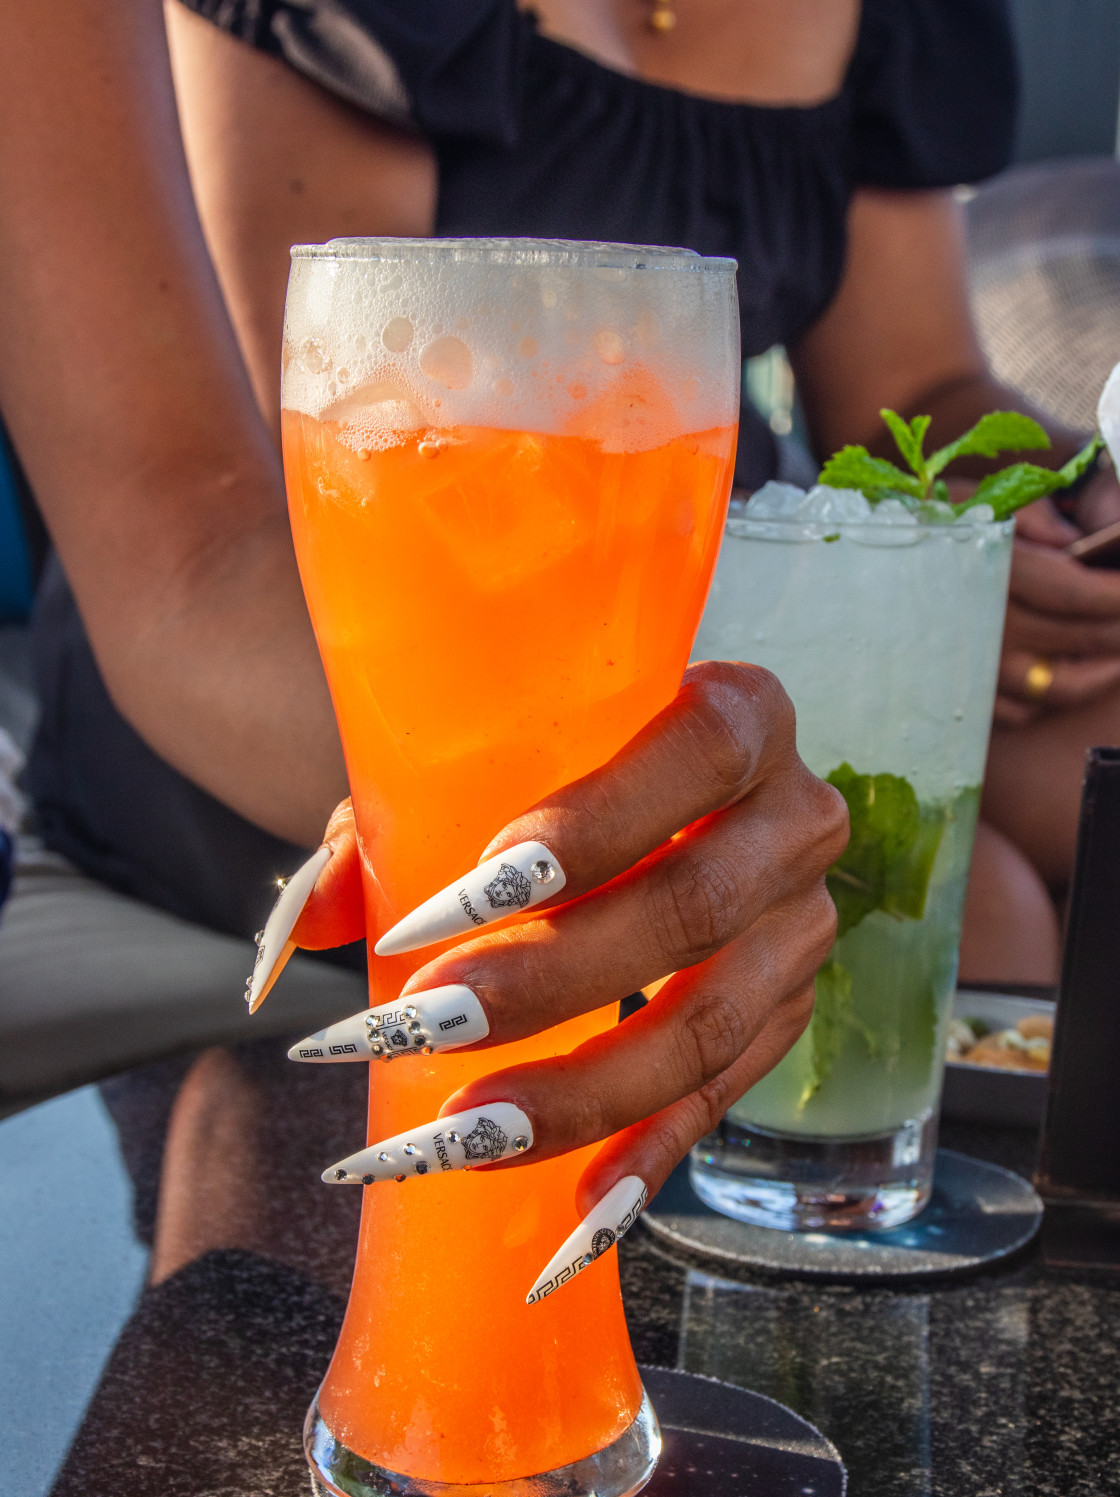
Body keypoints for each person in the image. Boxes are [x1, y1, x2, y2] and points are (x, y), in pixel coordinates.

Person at [0, 2, 1105, 1182]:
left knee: (1063, 783)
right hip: (311, 674)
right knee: (965, 900)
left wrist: (1054, 509)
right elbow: (355, 480)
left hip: (702, 582)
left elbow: (918, 380)